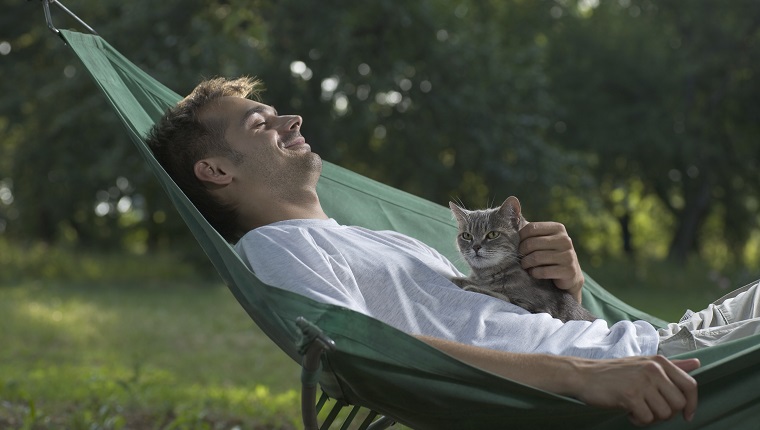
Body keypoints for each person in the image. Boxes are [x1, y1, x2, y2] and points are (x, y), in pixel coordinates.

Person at [147, 76, 759, 426]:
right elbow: (369, 354)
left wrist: (566, 289)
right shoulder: (277, 251)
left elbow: (504, 333)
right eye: (260, 123)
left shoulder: (369, 238)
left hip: (653, 346)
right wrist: (583, 375)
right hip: (662, 373)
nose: (290, 118)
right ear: (215, 170)